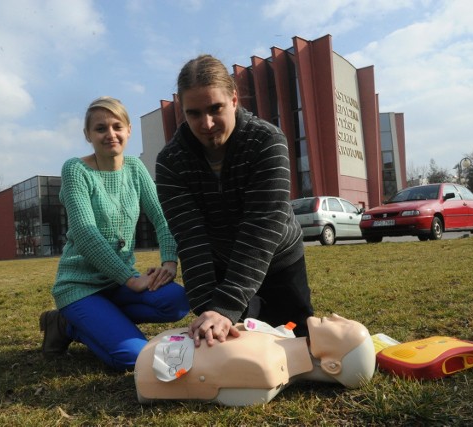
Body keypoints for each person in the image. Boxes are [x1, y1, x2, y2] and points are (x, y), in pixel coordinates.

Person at [155, 54, 314, 348]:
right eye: (194, 113)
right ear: (182, 111)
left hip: (279, 258)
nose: (207, 123)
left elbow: (262, 225)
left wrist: (225, 305)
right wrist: (210, 310)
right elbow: (190, 238)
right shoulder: (170, 162)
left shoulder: (267, 141)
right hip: (217, 264)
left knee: (297, 341)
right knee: (229, 345)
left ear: (234, 100)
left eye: (215, 108)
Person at [40, 96, 190, 371]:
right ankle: (65, 324)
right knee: (134, 358)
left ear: (129, 130)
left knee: (177, 301)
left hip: (117, 286)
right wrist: (130, 279)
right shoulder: (75, 170)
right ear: (88, 135)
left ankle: (103, 320)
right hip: (81, 286)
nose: (110, 134)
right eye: (100, 129)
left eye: (117, 126)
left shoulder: (135, 168)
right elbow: (86, 235)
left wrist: (170, 262)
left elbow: (162, 216)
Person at [135, 314, 376, 406]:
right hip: (159, 348)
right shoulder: (280, 339)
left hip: (151, 361)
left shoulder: (266, 370)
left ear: (332, 365)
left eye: (344, 329)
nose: (336, 316)